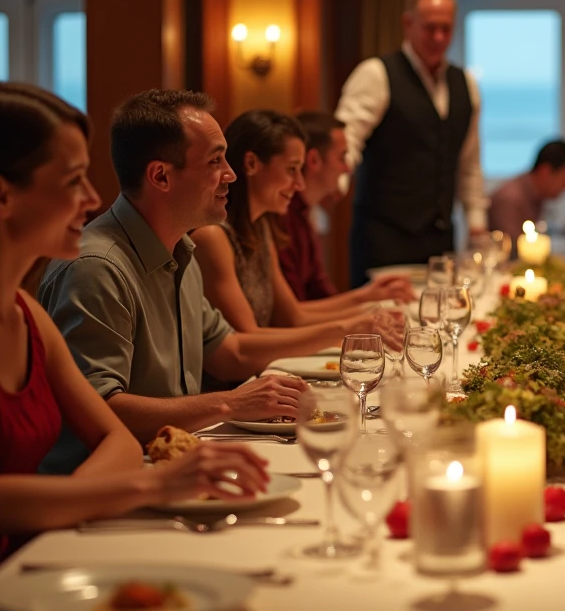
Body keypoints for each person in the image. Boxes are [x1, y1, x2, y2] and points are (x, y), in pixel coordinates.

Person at [0, 83, 268, 611]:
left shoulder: (26, 315)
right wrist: (151, 486)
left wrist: (68, 516)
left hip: (35, 565)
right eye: (71, 179)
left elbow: (120, 444)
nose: (89, 197)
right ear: (0, 197)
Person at [37, 90, 384, 473]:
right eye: (216, 160)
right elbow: (99, 410)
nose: (230, 174)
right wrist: (231, 404)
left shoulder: (181, 251)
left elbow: (230, 351)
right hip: (103, 495)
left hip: (175, 468)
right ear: (161, 176)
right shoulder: (96, 267)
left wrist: (273, 394)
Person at [191, 109, 408, 337]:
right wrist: (351, 326)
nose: (299, 184)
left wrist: (367, 307)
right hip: (248, 371)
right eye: (291, 169)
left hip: (265, 368)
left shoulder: (261, 228)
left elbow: (293, 316)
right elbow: (246, 339)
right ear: (252, 164)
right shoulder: (213, 236)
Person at [336, 0, 486, 287]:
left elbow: (469, 161)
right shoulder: (376, 74)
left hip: (440, 239)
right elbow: (346, 142)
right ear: (408, 23)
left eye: (446, 28)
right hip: (384, 238)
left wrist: (476, 221)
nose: (439, 37)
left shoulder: (465, 84)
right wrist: (333, 185)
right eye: (430, 27)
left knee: (439, 324)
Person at [277, 110, 415, 306]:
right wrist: (367, 300)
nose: (348, 169)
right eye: (342, 157)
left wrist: (373, 295)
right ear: (314, 160)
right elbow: (292, 316)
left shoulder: (305, 212)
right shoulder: (282, 216)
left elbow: (320, 291)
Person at [488, 139, 565, 252]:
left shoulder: (536, 194)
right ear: (545, 171)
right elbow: (514, 252)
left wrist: (564, 230)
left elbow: (536, 230)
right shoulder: (510, 199)